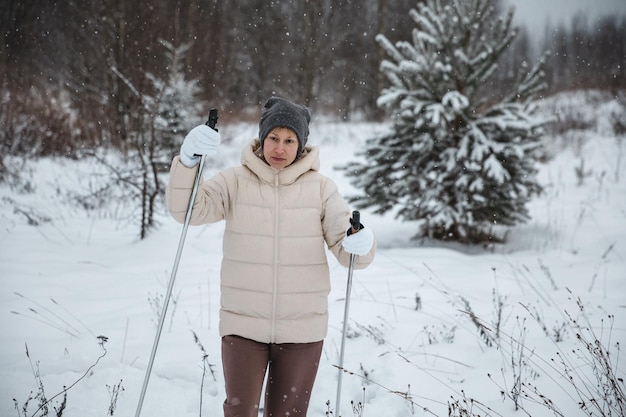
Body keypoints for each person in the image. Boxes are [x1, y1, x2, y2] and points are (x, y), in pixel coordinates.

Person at [166, 96, 376, 417]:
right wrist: (188, 162)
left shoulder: (321, 189)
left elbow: (348, 251)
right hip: (243, 326)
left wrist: (359, 242)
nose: (280, 148)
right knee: (239, 412)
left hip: (302, 329)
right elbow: (188, 210)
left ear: (301, 144)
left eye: (289, 140)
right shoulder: (234, 181)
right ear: (262, 139)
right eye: (274, 139)